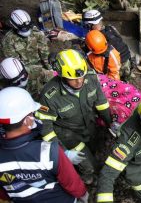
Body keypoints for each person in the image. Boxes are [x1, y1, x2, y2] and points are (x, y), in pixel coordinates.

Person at [35, 49, 112, 184]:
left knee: (94, 147)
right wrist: (62, 152)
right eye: (73, 79)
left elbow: (102, 104)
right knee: (89, 164)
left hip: (88, 125)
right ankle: (86, 177)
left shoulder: (91, 78)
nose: (79, 81)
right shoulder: (49, 96)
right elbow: (46, 129)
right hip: (68, 134)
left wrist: (111, 124)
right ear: (62, 76)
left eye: (81, 76)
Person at [0, 87, 88, 203]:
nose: (34, 117)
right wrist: (83, 195)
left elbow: (4, 194)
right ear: (27, 120)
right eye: (32, 114)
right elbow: (72, 182)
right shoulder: (48, 152)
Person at [82, 9, 132, 77]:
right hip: (128, 59)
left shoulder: (99, 38)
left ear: (91, 25)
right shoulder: (109, 28)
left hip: (120, 66)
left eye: (87, 25)